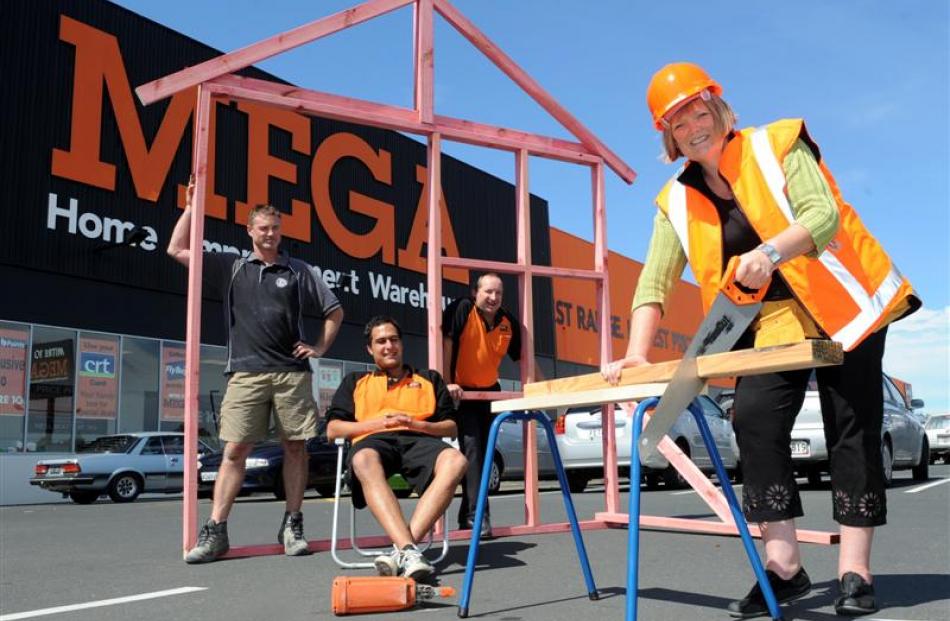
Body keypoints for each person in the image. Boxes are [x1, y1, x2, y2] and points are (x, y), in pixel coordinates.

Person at [603, 63, 920, 618]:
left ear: (720, 111)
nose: (694, 126)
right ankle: (785, 567)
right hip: (774, 321)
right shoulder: (674, 201)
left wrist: (769, 252)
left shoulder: (777, 144)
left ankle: (855, 569)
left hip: (847, 304)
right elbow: (654, 281)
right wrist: (636, 353)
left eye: (701, 112)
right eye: (679, 123)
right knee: (752, 418)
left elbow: (821, 217)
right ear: (668, 136)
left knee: (852, 425)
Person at [168, 177, 344, 563]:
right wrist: (191, 208)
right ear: (250, 232)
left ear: (281, 232)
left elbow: (334, 311)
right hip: (245, 373)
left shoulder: (298, 270)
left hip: (291, 373)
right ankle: (216, 532)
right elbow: (177, 249)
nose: (269, 234)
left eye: (275, 228)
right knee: (234, 451)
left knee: (295, 449)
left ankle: (292, 525)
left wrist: (318, 347)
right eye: (262, 228)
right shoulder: (231, 267)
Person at [327, 316, 467, 581]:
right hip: (374, 440)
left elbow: (451, 427)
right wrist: (378, 423)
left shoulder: (429, 378)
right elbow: (333, 429)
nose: (389, 346)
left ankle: (403, 550)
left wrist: (415, 423)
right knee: (364, 460)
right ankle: (408, 550)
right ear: (370, 349)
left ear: (401, 344)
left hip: (419, 438)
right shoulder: (355, 381)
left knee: (456, 461)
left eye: (394, 339)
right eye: (381, 341)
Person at [442, 273, 522, 537]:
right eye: (488, 292)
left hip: (490, 394)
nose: (493, 298)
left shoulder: (507, 321)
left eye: (498, 293)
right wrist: (447, 382)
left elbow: (523, 359)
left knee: (484, 453)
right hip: (462, 394)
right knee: (473, 449)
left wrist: (540, 390)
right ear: (475, 292)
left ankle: (468, 513)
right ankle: (478, 516)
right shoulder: (462, 309)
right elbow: (447, 343)